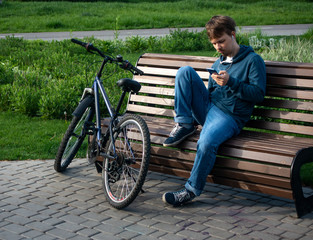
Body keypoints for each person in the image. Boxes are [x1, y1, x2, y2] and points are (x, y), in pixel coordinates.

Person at [162, 15, 266, 206]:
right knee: (185, 71)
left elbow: (259, 94)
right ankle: (185, 124)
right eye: (214, 43)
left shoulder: (253, 60)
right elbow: (210, 92)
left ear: (233, 35)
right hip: (210, 108)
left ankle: (190, 191)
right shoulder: (219, 62)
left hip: (230, 116)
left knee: (206, 142)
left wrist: (231, 82)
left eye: (221, 41)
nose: (218, 47)